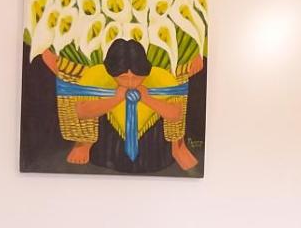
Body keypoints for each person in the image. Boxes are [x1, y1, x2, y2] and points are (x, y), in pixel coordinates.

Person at [42, 38, 199, 172]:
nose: (131, 82)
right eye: (123, 77)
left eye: (137, 77)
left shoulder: (161, 76)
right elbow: (81, 111)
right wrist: (115, 98)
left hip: (152, 138)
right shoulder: (97, 74)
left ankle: (177, 148)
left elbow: (176, 114)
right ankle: (84, 145)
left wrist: (147, 98)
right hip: (107, 137)